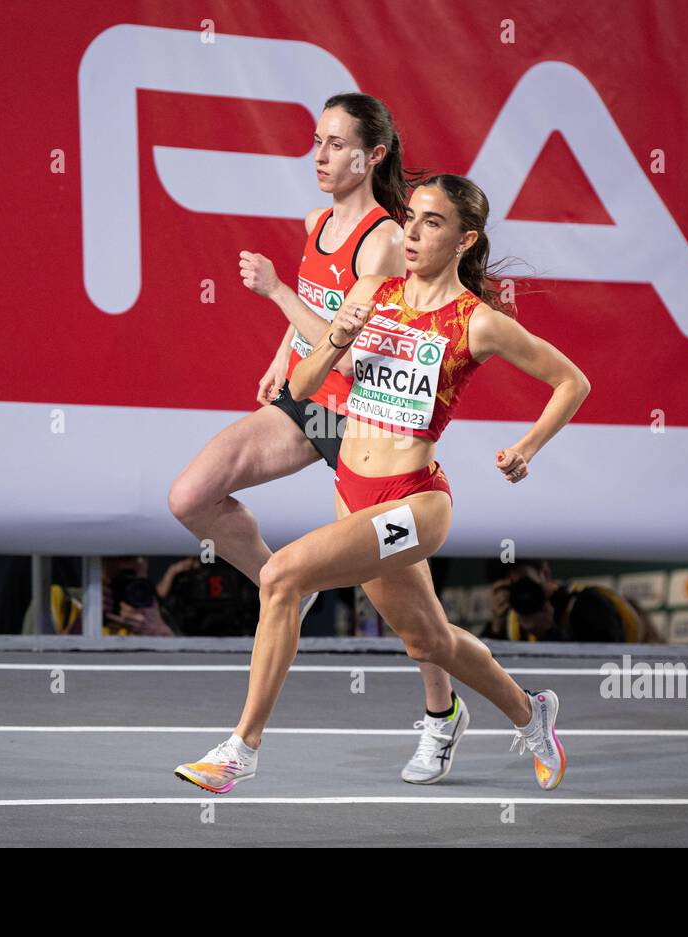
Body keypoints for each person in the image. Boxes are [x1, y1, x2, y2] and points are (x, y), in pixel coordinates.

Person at [174, 174, 592, 793]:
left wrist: (527, 447)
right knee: (428, 640)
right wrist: (341, 332)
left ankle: (242, 749)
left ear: (463, 239)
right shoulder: (373, 290)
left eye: (432, 223)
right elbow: (304, 388)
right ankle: (533, 715)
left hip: (416, 501)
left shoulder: (477, 322)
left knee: (282, 574)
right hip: (354, 490)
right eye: (412, 218)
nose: (413, 232)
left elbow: (572, 382)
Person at [169, 93, 467, 783]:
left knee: (410, 614)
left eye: (336, 145)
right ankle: (287, 586)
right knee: (192, 495)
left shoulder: (387, 238)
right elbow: (318, 301)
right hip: (312, 408)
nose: (321, 156)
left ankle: (441, 713)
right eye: (316, 141)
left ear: (376, 155)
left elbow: (353, 345)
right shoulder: (317, 222)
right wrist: (282, 354)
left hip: (368, 428)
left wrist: (274, 294)